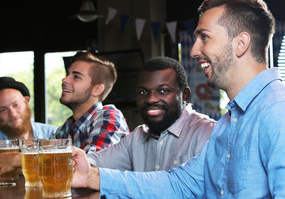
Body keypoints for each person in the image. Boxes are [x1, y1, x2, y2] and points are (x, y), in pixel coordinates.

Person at [71, 0, 285, 199]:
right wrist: (92, 177)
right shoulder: (230, 122)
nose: (194, 51)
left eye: (204, 37)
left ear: (241, 44)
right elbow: (181, 186)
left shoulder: (284, 112)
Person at [87, 56, 216, 172]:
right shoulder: (136, 138)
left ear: (185, 95)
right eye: (143, 92)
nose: (151, 99)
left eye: (164, 90)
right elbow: (93, 163)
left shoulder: (207, 133)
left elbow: (184, 190)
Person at [53, 51, 129, 153]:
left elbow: (92, 166)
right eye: (67, 74)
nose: (64, 79)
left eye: (76, 77)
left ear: (97, 89)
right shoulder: (66, 128)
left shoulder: (109, 117)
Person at [0, 77, 57, 176]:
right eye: (3, 110)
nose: (12, 113)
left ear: (26, 101)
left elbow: (65, 163)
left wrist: (17, 161)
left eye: (16, 105)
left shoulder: (51, 132)